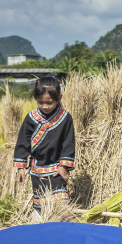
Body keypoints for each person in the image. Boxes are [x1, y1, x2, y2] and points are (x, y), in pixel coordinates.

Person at [13, 76, 76, 214]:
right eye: (40, 102)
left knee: (61, 203)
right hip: (38, 170)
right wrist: (20, 168)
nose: (45, 106)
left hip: (57, 170)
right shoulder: (31, 118)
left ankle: (62, 228)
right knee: (40, 204)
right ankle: (40, 226)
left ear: (59, 98)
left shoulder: (65, 117)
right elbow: (22, 143)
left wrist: (64, 166)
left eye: (49, 102)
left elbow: (68, 143)